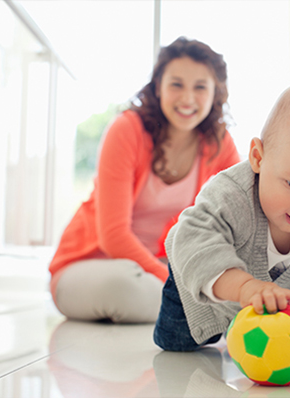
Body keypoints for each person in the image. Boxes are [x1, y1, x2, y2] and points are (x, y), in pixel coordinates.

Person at [154, 79, 290, 379]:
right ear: (258, 157)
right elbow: (195, 239)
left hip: (281, 296)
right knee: (176, 344)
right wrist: (244, 288)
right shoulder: (229, 194)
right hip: (196, 288)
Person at [48, 37, 240, 323]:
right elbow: (113, 237)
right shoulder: (127, 130)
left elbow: (241, 220)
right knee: (124, 285)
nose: (187, 98)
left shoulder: (219, 144)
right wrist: (180, 285)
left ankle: (194, 311)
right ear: (159, 86)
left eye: (200, 87)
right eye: (176, 84)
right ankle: (196, 311)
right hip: (92, 266)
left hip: (156, 267)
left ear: (216, 93)